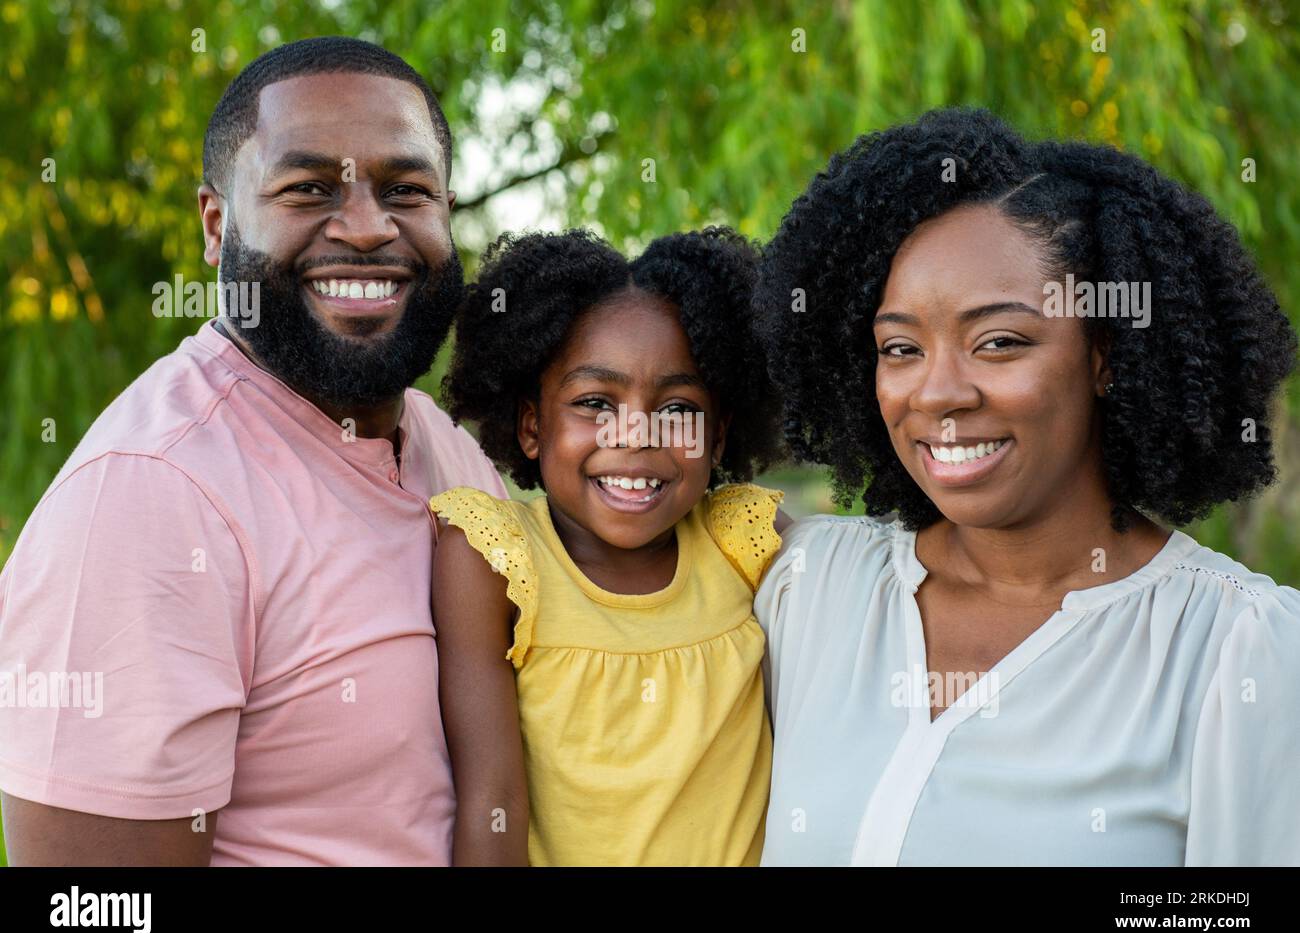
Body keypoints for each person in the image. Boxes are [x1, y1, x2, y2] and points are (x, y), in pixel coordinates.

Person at [0, 37, 504, 865]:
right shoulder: (149, 498)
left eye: (406, 190)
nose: (369, 228)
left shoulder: (444, 447)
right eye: (308, 188)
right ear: (216, 225)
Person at [752, 107, 1300, 865]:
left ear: (1106, 354)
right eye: (901, 347)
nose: (939, 392)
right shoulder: (807, 589)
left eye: (1000, 342)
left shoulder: (1236, 654)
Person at [429, 228, 787, 865]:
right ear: (533, 425)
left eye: (677, 406)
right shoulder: (498, 558)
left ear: (721, 431)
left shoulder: (742, 542)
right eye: (595, 402)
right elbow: (492, 800)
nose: (635, 434)